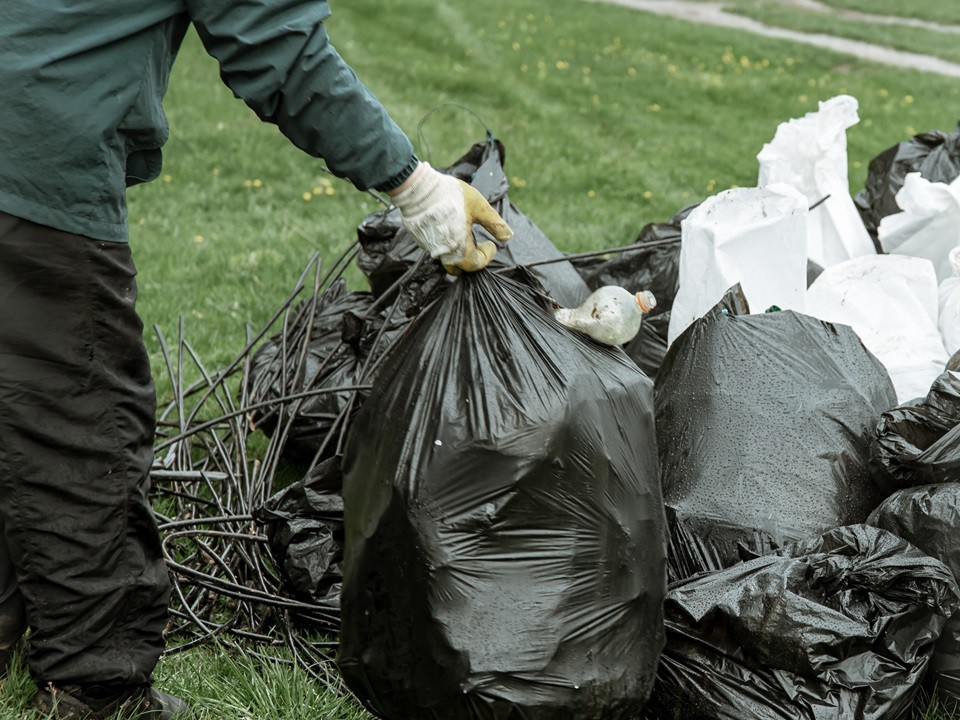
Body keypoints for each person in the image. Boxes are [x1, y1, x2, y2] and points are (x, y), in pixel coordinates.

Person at [0, 1, 513, 718]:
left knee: (16, 391)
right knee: (80, 426)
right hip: (30, 161)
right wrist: (416, 187)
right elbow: (279, 49)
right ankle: (97, 684)